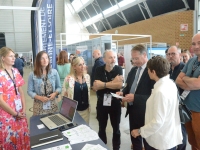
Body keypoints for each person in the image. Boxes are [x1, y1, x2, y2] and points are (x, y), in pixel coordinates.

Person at [131, 56, 182, 150]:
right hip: (168, 135)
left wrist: (139, 131)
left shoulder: (160, 91)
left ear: (153, 72)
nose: (147, 72)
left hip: (162, 140)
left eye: (148, 70)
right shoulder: (170, 83)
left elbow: (157, 122)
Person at [116, 44, 154, 150]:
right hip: (133, 111)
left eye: (136, 58)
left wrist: (135, 98)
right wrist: (122, 93)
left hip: (146, 112)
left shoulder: (152, 71)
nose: (134, 61)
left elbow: (154, 96)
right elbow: (128, 87)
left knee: (147, 141)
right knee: (134, 138)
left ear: (145, 55)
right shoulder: (133, 70)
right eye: (132, 59)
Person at [0, 47, 30, 149]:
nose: (14, 58)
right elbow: (0, 101)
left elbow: (21, 91)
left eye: (14, 56)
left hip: (19, 111)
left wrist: (24, 110)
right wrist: (15, 114)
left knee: (22, 135)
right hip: (7, 114)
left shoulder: (15, 71)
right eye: (10, 56)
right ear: (3, 58)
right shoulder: (0, 74)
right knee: (10, 138)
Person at [93, 50, 123, 150]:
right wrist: (112, 83)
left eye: (114, 57)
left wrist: (104, 84)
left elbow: (119, 85)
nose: (113, 59)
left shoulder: (118, 69)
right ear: (104, 59)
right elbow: (96, 86)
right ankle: (102, 147)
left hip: (115, 103)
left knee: (116, 129)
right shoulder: (98, 69)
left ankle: (116, 148)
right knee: (102, 128)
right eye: (110, 57)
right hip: (102, 103)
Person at [176, 33, 200, 149]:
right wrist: (191, 82)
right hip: (187, 109)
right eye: (194, 44)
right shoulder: (192, 61)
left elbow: (198, 83)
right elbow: (177, 79)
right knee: (192, 141)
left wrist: (185, 79)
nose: (196, 46)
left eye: (199, 43)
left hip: (199, 111)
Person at [27, 51, 61, 116]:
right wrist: (39, 97)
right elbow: (29, 91)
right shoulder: (32, 75)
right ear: (38, 61)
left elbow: (59, 87)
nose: (45, 60)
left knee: (54, 123)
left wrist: (55, 93)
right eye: (42, 58)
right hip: (39, 106)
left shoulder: (54, 72)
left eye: (46, 58)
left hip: (53, 104)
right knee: (39, 124)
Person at [167, 46, 187, 150]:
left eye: (173, 54)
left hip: (180, 106)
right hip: (168, 106)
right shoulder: (167, 70)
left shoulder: (184, 69)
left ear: (179, 55)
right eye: (168, 54)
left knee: (181, 134)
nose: (170, 56)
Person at [63, 56, 90, 124]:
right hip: (74, 112)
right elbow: (64, 95)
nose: (82, 66)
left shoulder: (87, 77)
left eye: (83, 64)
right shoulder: (68, 79)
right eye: (80, 65)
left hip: (85, 111)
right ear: (74, 67)